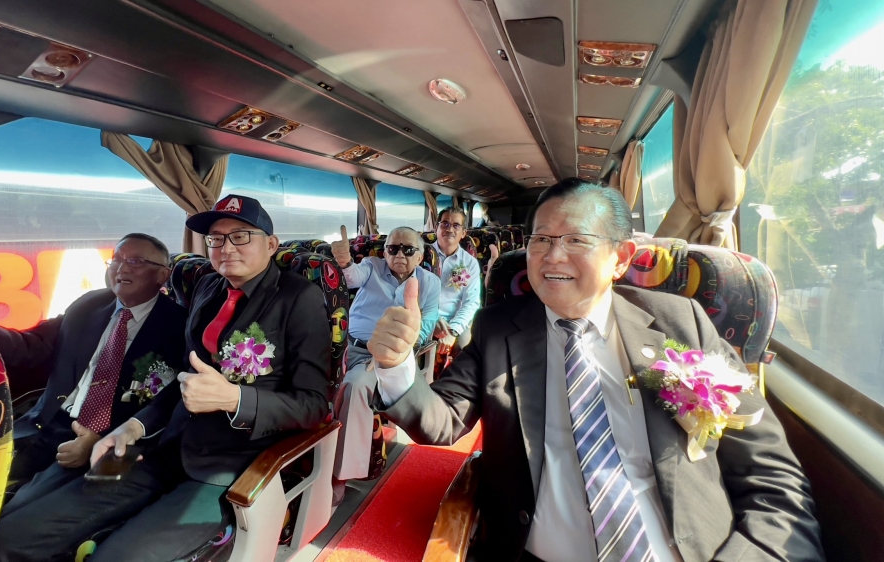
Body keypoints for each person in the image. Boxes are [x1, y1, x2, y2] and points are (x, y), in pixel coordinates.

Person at [365, 179, 823, 561]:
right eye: (540, 239)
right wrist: (396, 366)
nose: (552, 255)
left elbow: (771, 477)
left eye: (576, 240)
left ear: (620, 257)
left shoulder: (680, 324)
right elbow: (443, 421)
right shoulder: (499, 328)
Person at [0, 195, 332, 562]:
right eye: (216, 239)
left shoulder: (299, 299)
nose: (226, 248)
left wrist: (235, 400)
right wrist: (133, 428)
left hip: (227, 465)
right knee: (13, 535)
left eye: (242, 236)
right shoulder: (208, 289)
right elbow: (183, 381)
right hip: (158, 449)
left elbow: (314, 405)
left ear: (271, 243)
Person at [0, 234, 187, 514]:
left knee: (15, 514)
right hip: (45, 423)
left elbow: (164, 405)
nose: (122, 268)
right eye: (117, 259)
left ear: (162, 275)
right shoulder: (89, 305)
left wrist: (98, 440)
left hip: (106, 440)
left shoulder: (179, 326)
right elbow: (32, 346)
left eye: (135, 261)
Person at [329, 224, 440, 503]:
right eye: (392, 248)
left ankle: (340, 476)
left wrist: (391, 355)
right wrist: (343, 262)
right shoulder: (371, 266)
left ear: (420, 256)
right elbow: (351, 277)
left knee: (356, 385)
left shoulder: (429, 284)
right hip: (346, 345)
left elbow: (425, 327)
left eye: (408, 249)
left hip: (387, 356)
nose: (399, 254)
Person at [431, 206, 481, 356]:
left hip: (455, 318)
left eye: (456, 225)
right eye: (444, 223)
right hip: (424, 317)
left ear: (463, 233)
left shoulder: (469, 263)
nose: (449, 229)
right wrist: (431, 319)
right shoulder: (421, 257)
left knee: (465, 349)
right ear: (436, 228)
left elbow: (471, 302)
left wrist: (453, 330)